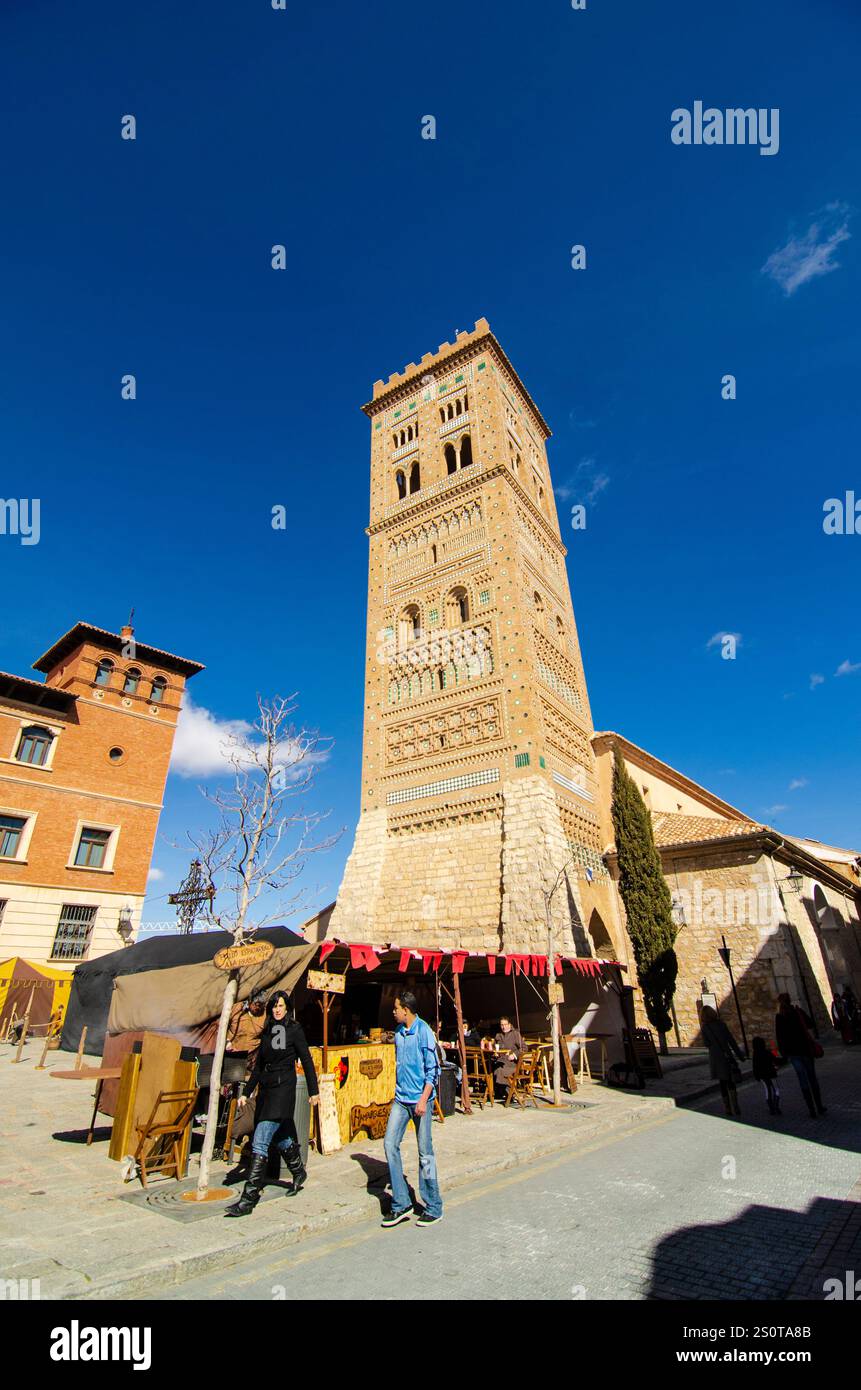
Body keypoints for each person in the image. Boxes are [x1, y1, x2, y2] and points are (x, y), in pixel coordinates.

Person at [225, 991, 319, 1218]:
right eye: (274, 1006)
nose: (277, 1009)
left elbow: (306, 1059)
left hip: (283, 1088)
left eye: (281, 1005)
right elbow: (258, 1067)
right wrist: (247, 1092)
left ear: (287, 1008)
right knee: (282, 1137)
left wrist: (314, 1091)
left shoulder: (294, 1030)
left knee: (260, 1140)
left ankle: (248, 1198)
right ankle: (298, 1171)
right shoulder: (267, 1031)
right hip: (266, 1089)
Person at [381, 990, 443, 1229]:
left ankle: (433, 1204)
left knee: (425, 1152)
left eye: (396, 1008)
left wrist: (423, 1099)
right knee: (389, 1144)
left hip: (421, 1101)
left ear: (406, 1010)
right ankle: (401, 1202)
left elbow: (433, 1071)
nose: (394, 1012)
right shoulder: (399, 1034)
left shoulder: (424, 1033)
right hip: (400, 1099)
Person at [775, 993, 826, 1118]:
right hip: (805, 1050)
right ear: (790, 1000)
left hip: (793, 1053)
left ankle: (811, 1110)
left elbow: (780, 1037)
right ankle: (819, 1106)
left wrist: (783, 1053)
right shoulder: (797, 1011)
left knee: (803, 1080)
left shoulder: (779, 1017)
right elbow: (810, 1024)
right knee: (812, 1078)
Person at [700, 1004, 745, 1116]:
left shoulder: (705, 1028)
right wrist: (740, 1055)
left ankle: (727, 1108)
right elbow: (731, 1040)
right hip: (727, 1056)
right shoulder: (721, 1024)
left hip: (716, 1058)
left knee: (722, 1083)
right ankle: (736, 1106)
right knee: (730, 1082)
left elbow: (706, 1044)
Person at [492, 1015, 523, 1095]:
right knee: (489, 1070)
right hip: (499, 1061)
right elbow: (494, 1048)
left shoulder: (515, 1034)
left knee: (499, 1071)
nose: (503, 1027)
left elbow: (523, 1048)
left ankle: (509, 1092)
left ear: (509, 1025)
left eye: (505, 1025)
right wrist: (495, 1054)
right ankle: (500, 1092)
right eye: (502, 1025)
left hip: (511, 1064)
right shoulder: (498, 1035)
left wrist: (514, 1055)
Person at [751, 1036, 781, 1115]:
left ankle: (771, 1108)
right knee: (776, 1090)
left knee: (767, 1091)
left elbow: (755, 1066)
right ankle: (776, 1106)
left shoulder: (755, 1054)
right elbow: (775, 1060)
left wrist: (756, 1076)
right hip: (771, 1073)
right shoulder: (767, 1052)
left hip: (762, 1075)